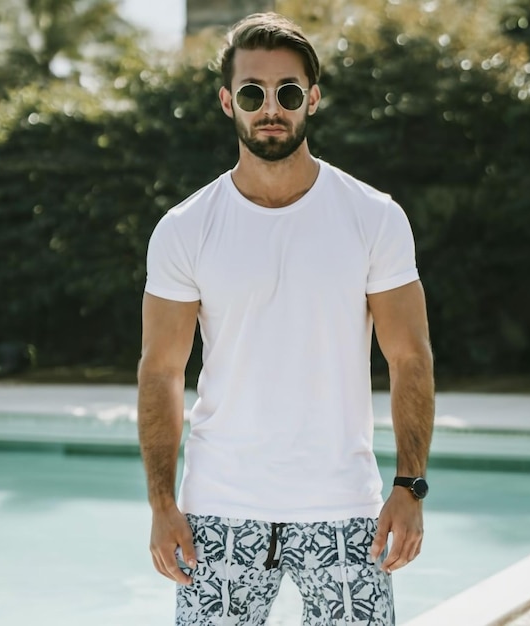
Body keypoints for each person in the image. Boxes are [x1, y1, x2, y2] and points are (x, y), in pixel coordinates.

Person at [137, 12, 434, 626]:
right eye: (253, 92)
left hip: (345, 509)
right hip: (218, 513)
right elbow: (161, 372)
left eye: (288, 92)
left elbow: (409, 358)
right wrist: (163, 504)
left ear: (312, 100)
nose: (270, 107)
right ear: (228, 102)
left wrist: (410, 486)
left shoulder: (374, 217)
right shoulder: (185, 228)